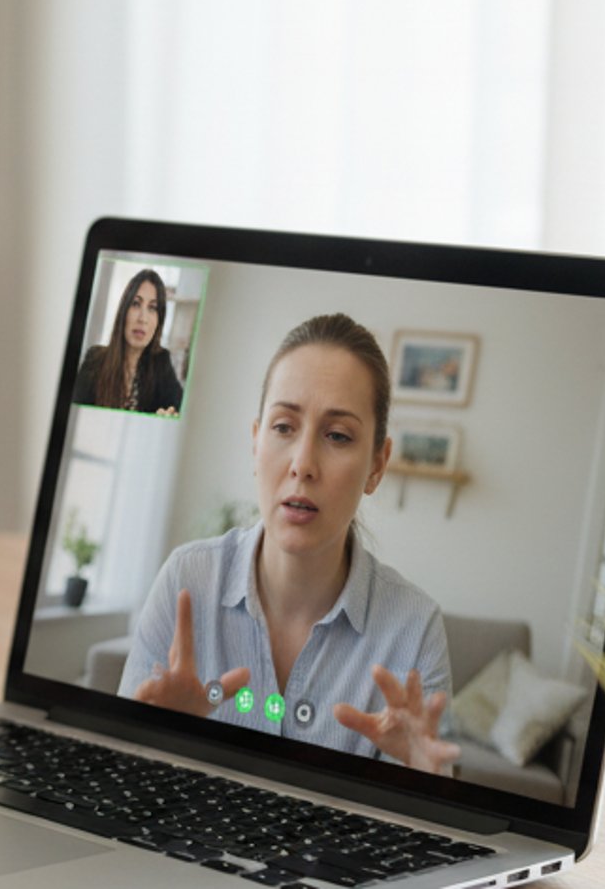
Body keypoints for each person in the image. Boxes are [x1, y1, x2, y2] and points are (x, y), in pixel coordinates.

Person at [117, 314, 457, 776]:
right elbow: (120, 785)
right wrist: (145, 741)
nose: (303, 464)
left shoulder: (414, 629)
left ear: (377, 465)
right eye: (283, 427)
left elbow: (435, 833)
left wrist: (430, 789)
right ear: (256, 444)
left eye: (337, 436)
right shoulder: (186, 579)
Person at [73, 268, 185, 416]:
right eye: (135, 304)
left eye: (152, 308)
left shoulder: (161, 363)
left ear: (159, 320)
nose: (142, 318)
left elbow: (180, 411)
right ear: (123, 311)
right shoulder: (94, 359)